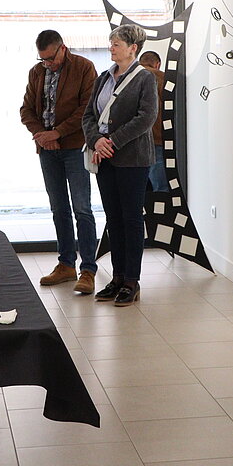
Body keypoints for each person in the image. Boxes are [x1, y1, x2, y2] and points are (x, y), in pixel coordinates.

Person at [82, 24, 157, 307]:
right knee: (113, 219)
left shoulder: (144, 79)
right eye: (111, 43)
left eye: (116, 44)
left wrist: (111, 141)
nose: (111, 47)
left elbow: (146, 118)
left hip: (132, 159)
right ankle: (116, 277)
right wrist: (95, 141)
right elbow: (89, 115)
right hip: (103, 157)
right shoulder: (103, 78)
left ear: (132, 48)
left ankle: (131, 281)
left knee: (131, 219)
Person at [19, 30, 98, 293]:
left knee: (82, 208)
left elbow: (88, 109)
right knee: (58, 208)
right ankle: (66, 264)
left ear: (62, 48)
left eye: (50, 59)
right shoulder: (37, 72)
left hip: (75, 148)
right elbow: (27, 109)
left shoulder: (85, 68)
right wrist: (41, 135)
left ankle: (88, 270)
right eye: (42, 59)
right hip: (48, 149)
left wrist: (58, 132)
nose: (47, 64)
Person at [138, 50, 170, 192]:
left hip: (133, 140)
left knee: (138, 188)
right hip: (156, 138)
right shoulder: (163, 78)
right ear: (158, 64)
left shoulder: (128, 77)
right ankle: (160, 214)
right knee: (160, 187)